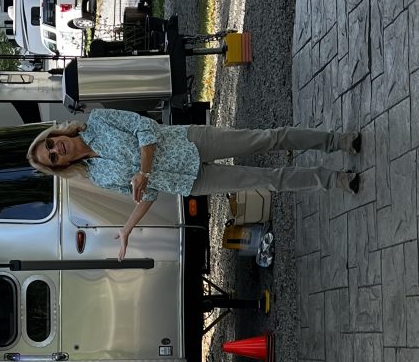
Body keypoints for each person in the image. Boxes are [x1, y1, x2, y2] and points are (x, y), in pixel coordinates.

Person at [27, 108, 362, 259]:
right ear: (61, 166)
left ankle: (338, 141)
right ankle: (334, 179)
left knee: (266, 139)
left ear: (56, 134)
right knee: (267, 180)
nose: (57, 149)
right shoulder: (97, 175)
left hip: (190, 142)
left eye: (51, 144)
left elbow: (145, 128)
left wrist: (144, 171)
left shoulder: (98, 121)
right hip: (189, 181)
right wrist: (128, 228)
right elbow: (148, 192)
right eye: (52, 157)